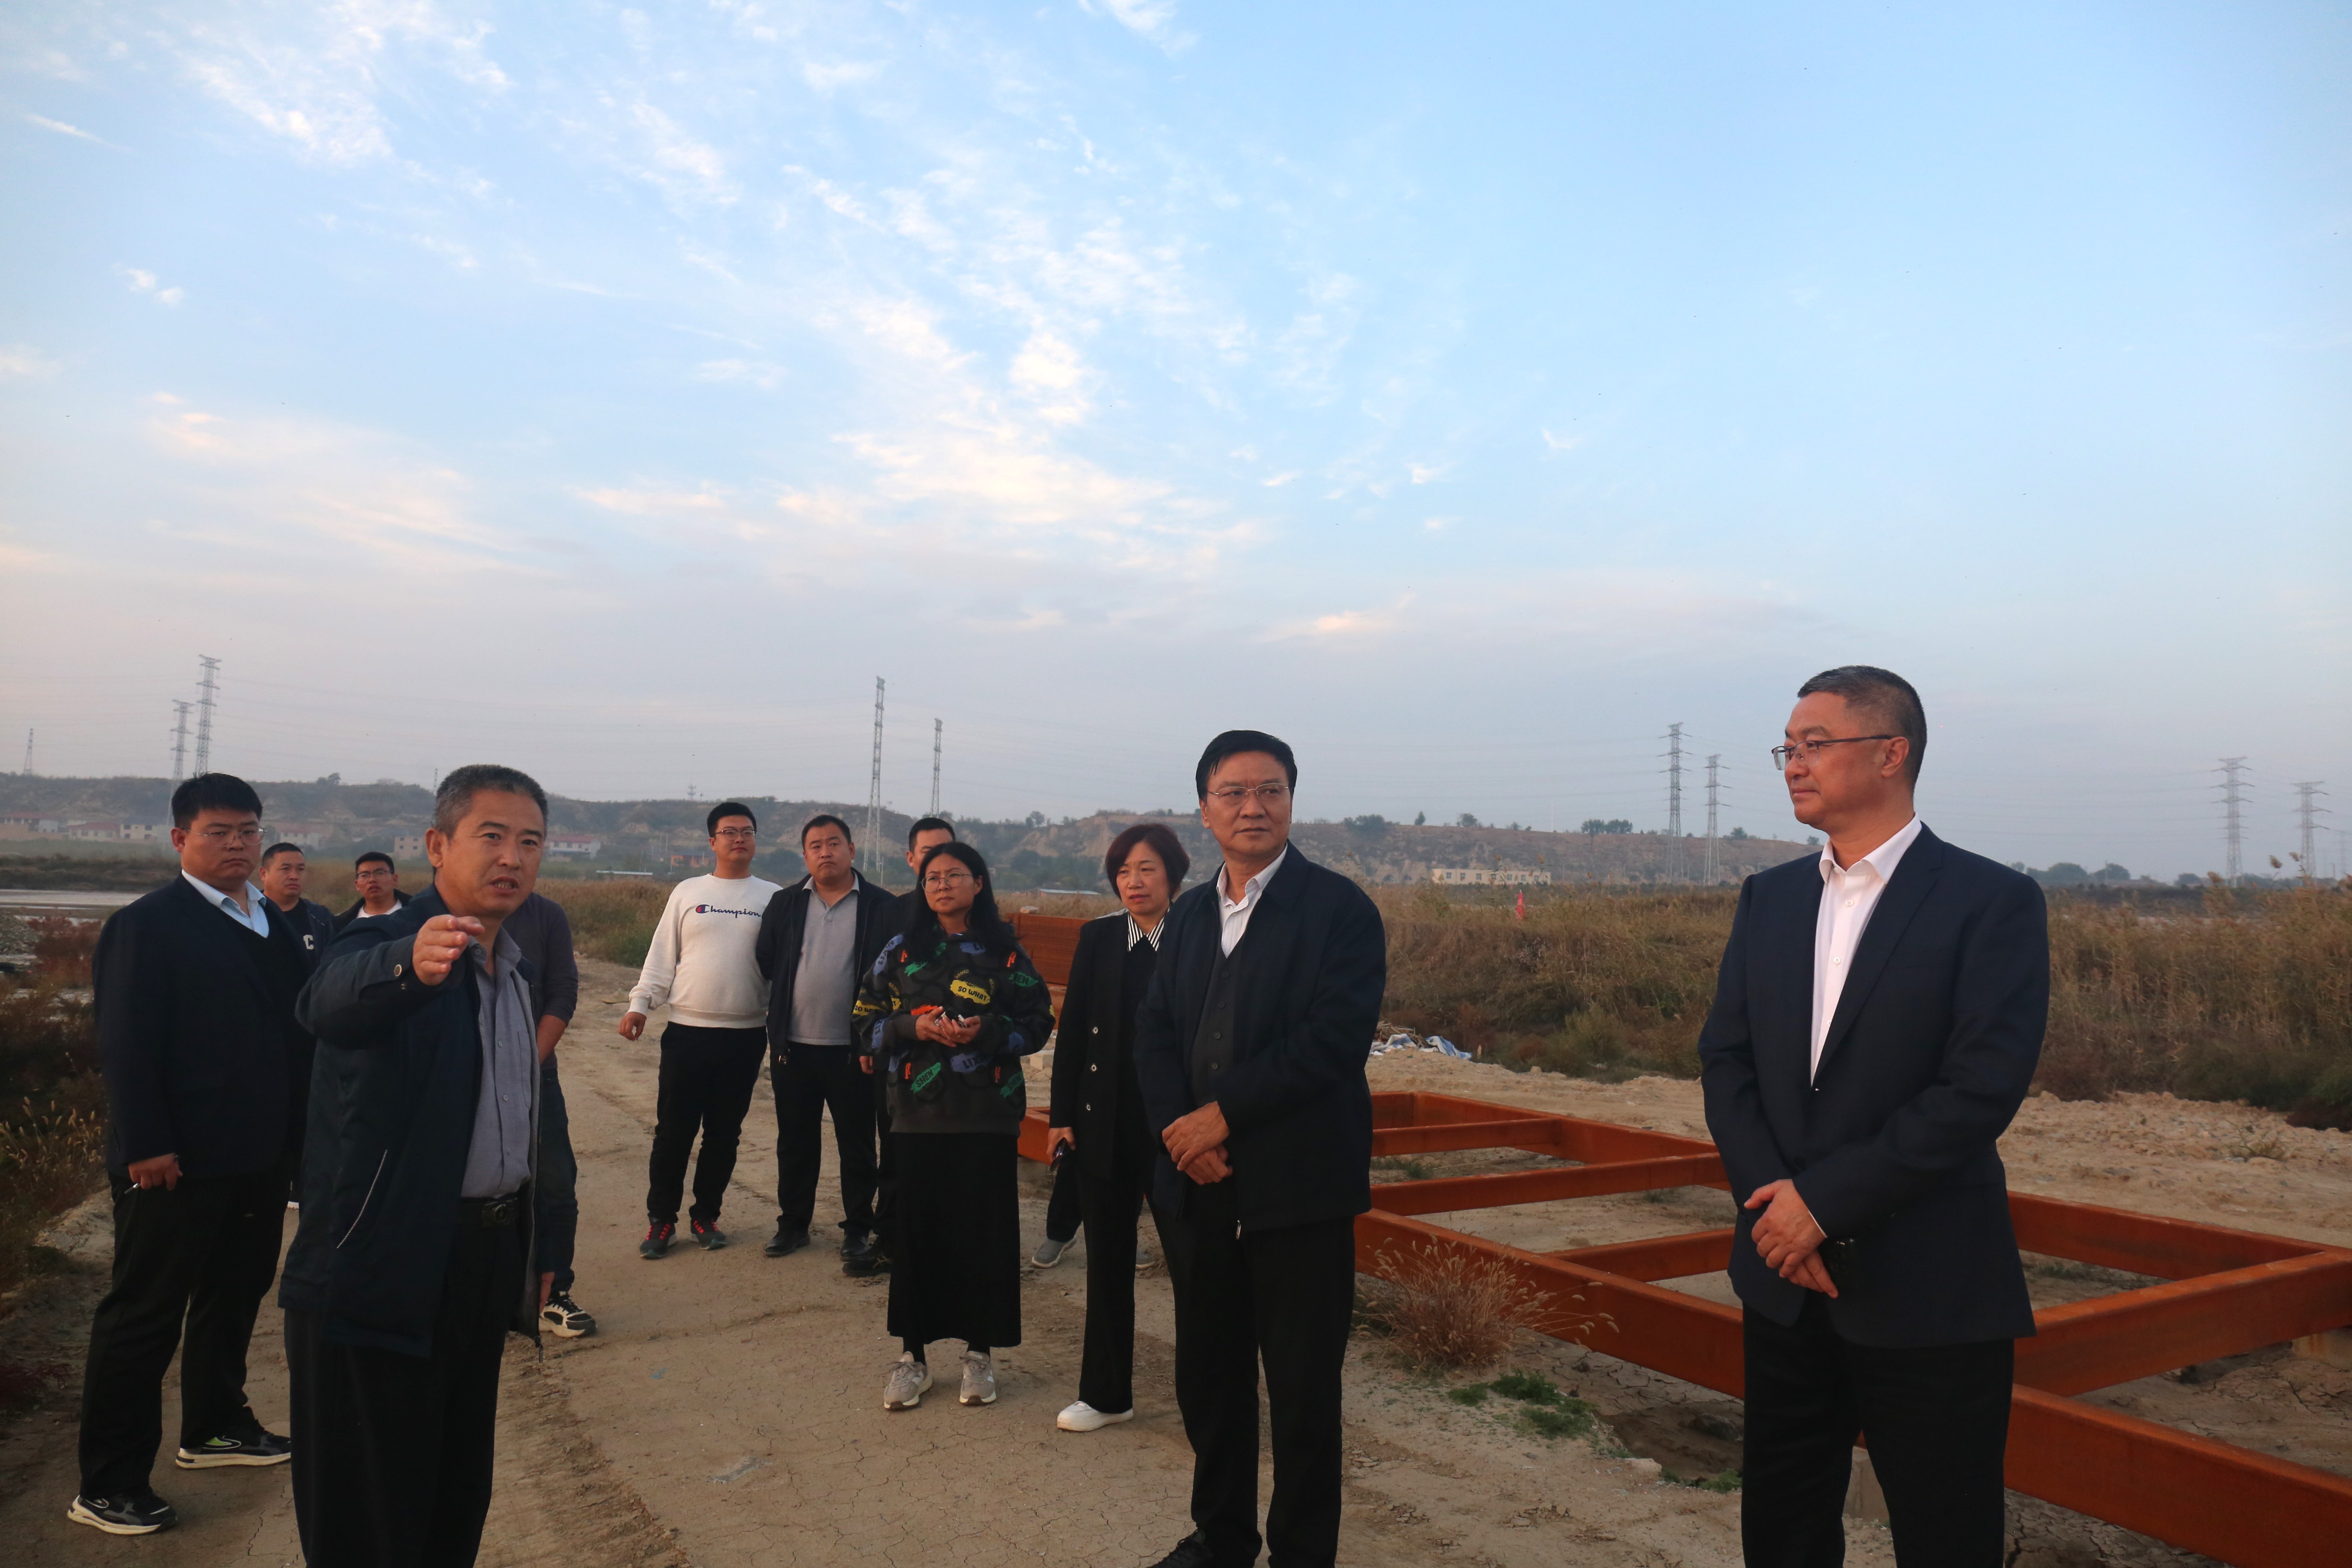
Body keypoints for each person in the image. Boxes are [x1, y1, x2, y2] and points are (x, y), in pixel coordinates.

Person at [1698, 666, 2047, 1568]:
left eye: (1815, 744)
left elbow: (1978, 1090)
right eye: (1787, 747)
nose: (1793, 763)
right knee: (1782, 1528)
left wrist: (1822, 1204)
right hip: (1784, 1279)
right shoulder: (1770, 897)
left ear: (1891, 755)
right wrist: (1777, 1212)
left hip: (1928, 1284)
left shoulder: (1990, 902)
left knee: (1944, 1534)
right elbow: (1726, 1062)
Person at [281, 764, 555, 1568]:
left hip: (480, 1261)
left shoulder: (513, 972)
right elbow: (325, 1001)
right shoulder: (382, 944)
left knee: (453, 1498)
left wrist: (536, 1247)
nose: (512, 857)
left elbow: (516, 1128)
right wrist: (409, 962)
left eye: (530, 842)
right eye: (492, 836)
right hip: (382, 1266)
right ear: (437, 846)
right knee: (371, 1517)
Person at [1132, 730, 1387, 1568]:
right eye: (1234, 793)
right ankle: (1222, 1536)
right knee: (1210, 1378)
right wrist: (1180, 1131)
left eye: (1270, 790)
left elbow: (1331, 1042)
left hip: (1298, 1191)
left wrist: (1222, 1116)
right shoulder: (1189, 916)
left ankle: (1302, 1552)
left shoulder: (1338, 910)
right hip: (1199, 1186)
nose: (1253, 807)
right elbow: (1155, 1031)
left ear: (1291, 801)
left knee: (1303, 1389)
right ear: (1204, 811)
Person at [70, 773, 308, 1536]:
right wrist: (146, 1142)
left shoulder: (271, 920)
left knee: (234, 1293)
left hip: (257, 1153)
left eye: (248, 830)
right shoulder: (148, 925)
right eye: (219, 831)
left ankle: (214, 1427)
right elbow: (126, 1044)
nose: (238, 844)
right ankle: (108, 1482)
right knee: (145, 1314)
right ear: (180, 839)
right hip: (175, 1159)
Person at [853, 841, 1053, 1412]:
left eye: (954, 875)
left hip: (988, 1114)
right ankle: (912, 1357)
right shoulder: (901, 948)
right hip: (916, 1116)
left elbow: (1038, 1022)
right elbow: (864, 1020)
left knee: (983, 1235)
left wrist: (985, 1031)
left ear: (979, 883)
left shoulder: (1005, 951)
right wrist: (911, 1028)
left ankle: (979, 1353)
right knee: (917, 1235)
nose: (942, 885)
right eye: (932, 877)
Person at [1045, 820, 1189, 1433]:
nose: (1134, 881)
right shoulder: (1100, 938)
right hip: (1103, 1124)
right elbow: (1074, 1031)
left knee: (1193, 1268)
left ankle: (1205, 1401)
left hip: (1176, 1131)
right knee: (1107, 1263)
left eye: (1147, 868)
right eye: (1124, 871)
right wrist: (1061, 1116)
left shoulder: (1198, 934)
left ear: (1173, 874)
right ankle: (1106, 1394)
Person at [620, 804, 781, 1257]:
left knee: (724, 1134)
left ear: (755, 840)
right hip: (688, 1032)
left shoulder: (773, 897)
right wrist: (640, 1004)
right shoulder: (688, 892)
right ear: (713, 841)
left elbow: (785, 968)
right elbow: (662, 955)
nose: (739, 839)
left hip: (746, 1035)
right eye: (729, 832)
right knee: (674, 1132)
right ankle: (661, 1221)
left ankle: (705, 1216)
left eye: (747, 831)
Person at [753, 813, 898, 1270]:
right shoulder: (785, 903)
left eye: (834, 843)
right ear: (805, 855)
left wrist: (873, 1040)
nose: (825, 852)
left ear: (851, 850)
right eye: (815, 846)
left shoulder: (881, 906)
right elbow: (767, 959)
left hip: (854, 1051)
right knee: (795, 1141)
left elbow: (894, 973)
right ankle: (793, 1224)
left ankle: (858, 1229)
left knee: (857, 1143)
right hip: (793, 1047)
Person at [868, 814, 958, 1271]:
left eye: (947, 853)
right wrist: (872, 1042)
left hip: (962, 1062)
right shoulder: (890, 913)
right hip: (902, 1053)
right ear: (911, 859)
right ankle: (889, 1237)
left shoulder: (978, 917)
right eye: (927, 854)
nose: (938, 863)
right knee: (896, 1149)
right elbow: (869, 987)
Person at [504, 890, 594, 1338]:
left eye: (528, 853)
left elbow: (562, 991)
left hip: (538, 1075)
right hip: (462, 1080)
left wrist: (529, 1065)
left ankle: (554, 1293)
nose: (511, 860)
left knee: (556, 1184)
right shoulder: (437, 913)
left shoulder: (546, 915)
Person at [257, 842, 337, 968]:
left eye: (300, 870)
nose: (294, 876)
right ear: (264, 874)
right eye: (285, 869)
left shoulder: (321, 919)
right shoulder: (246, 913)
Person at [334, 850, 411, 929]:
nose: (372, 880)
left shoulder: (416, 913)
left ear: (395, 879)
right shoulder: (342, 924)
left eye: (380, 873)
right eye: (365, 875)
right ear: (357, 885)